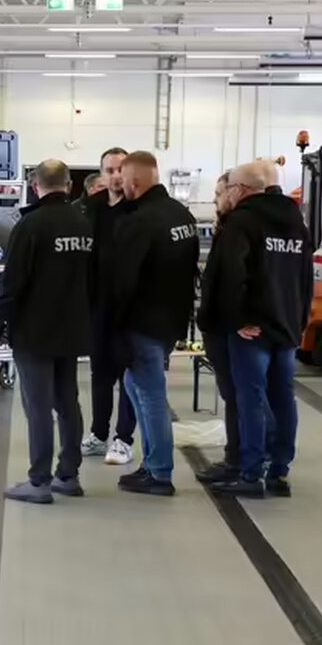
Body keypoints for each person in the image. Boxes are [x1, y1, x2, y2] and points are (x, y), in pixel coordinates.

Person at [0, 159, 92, 504]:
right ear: (69, 186)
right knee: (67, 402)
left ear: (34, 186)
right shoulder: (84, 223)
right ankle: (68, 475)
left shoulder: (31, 225)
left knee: (38, 406)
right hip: (73, 328)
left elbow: (12, 283)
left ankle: (39, 480)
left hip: (35, 332)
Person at [206, 161, 312, 498]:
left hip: (252, 330)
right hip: (287, 324)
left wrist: (237, 319)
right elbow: (305, 278)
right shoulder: (297, 222)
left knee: (250, 398)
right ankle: (279, 472)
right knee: (283, 398)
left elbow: (230, 276)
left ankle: (250, 474)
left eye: (232, 188)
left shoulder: (242, 221)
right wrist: (300, 319)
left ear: (241, 190)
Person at [110, 151, 199, 496]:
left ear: (135, 182)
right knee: (137, 388)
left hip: (142, 323)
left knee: (149, 395)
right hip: (170, 320)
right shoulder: (182, 215)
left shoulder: (141, 221)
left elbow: (124, 279)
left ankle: (159, 472)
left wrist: (111, 324)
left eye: (123, 179)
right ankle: (151, 465)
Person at [80, 147, 138, 466]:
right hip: (98, 308)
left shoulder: (140, 210)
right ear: (101, 174)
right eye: (110, 169)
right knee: (100, 374)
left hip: (131, 312)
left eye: (121, 169)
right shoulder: (91, 210)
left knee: (128, 377)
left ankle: (123, 439)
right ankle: (99, 434)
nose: (116, 175)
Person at [194, 172, 243, 484]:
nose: (215, 200)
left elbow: (239, 281)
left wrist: (242, 319)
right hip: (222, 327)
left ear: (235, 192)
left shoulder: (240, 229)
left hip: (230, 329)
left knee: (239, 398)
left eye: (218, 194)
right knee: (236, 397)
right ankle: (238, 456)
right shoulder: (230, 227)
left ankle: (239, 461)